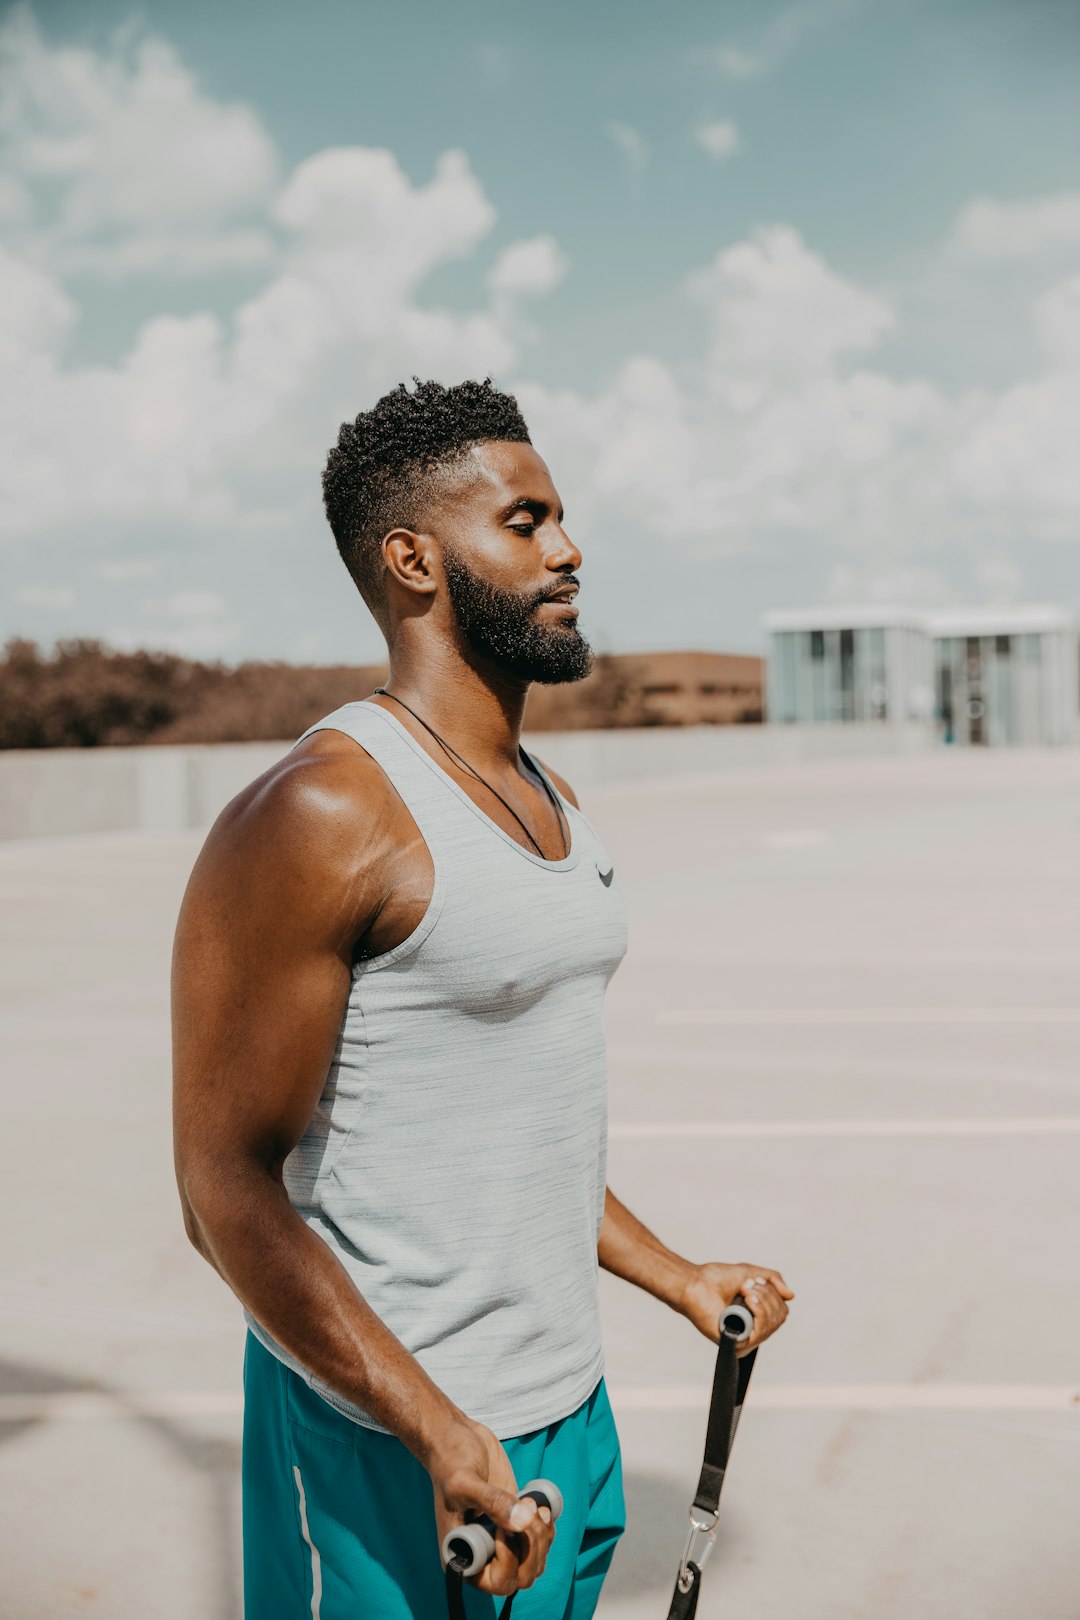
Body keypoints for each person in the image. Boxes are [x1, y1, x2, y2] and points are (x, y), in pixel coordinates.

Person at [171, 377, 793, 1619]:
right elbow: (222, 1189)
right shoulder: (321, 814)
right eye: (524, 522)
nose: (567, 549)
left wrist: (675, 1277)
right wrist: (431, 1428)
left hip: (564, 1410)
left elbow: (515, 1127)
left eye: (559, 517)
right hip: (385, 1438)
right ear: (413, 558)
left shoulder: (546, 795)